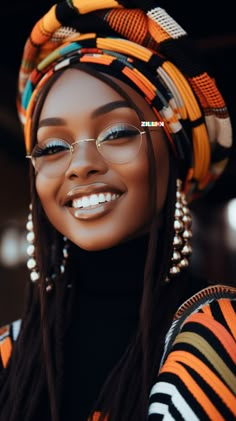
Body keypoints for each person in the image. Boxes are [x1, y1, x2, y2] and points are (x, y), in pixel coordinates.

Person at [0, 1, 235, 420]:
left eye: (120, 132)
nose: (81, 163)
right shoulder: (8, 353)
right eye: (52, 147)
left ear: (173, 154)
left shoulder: (220, 335)